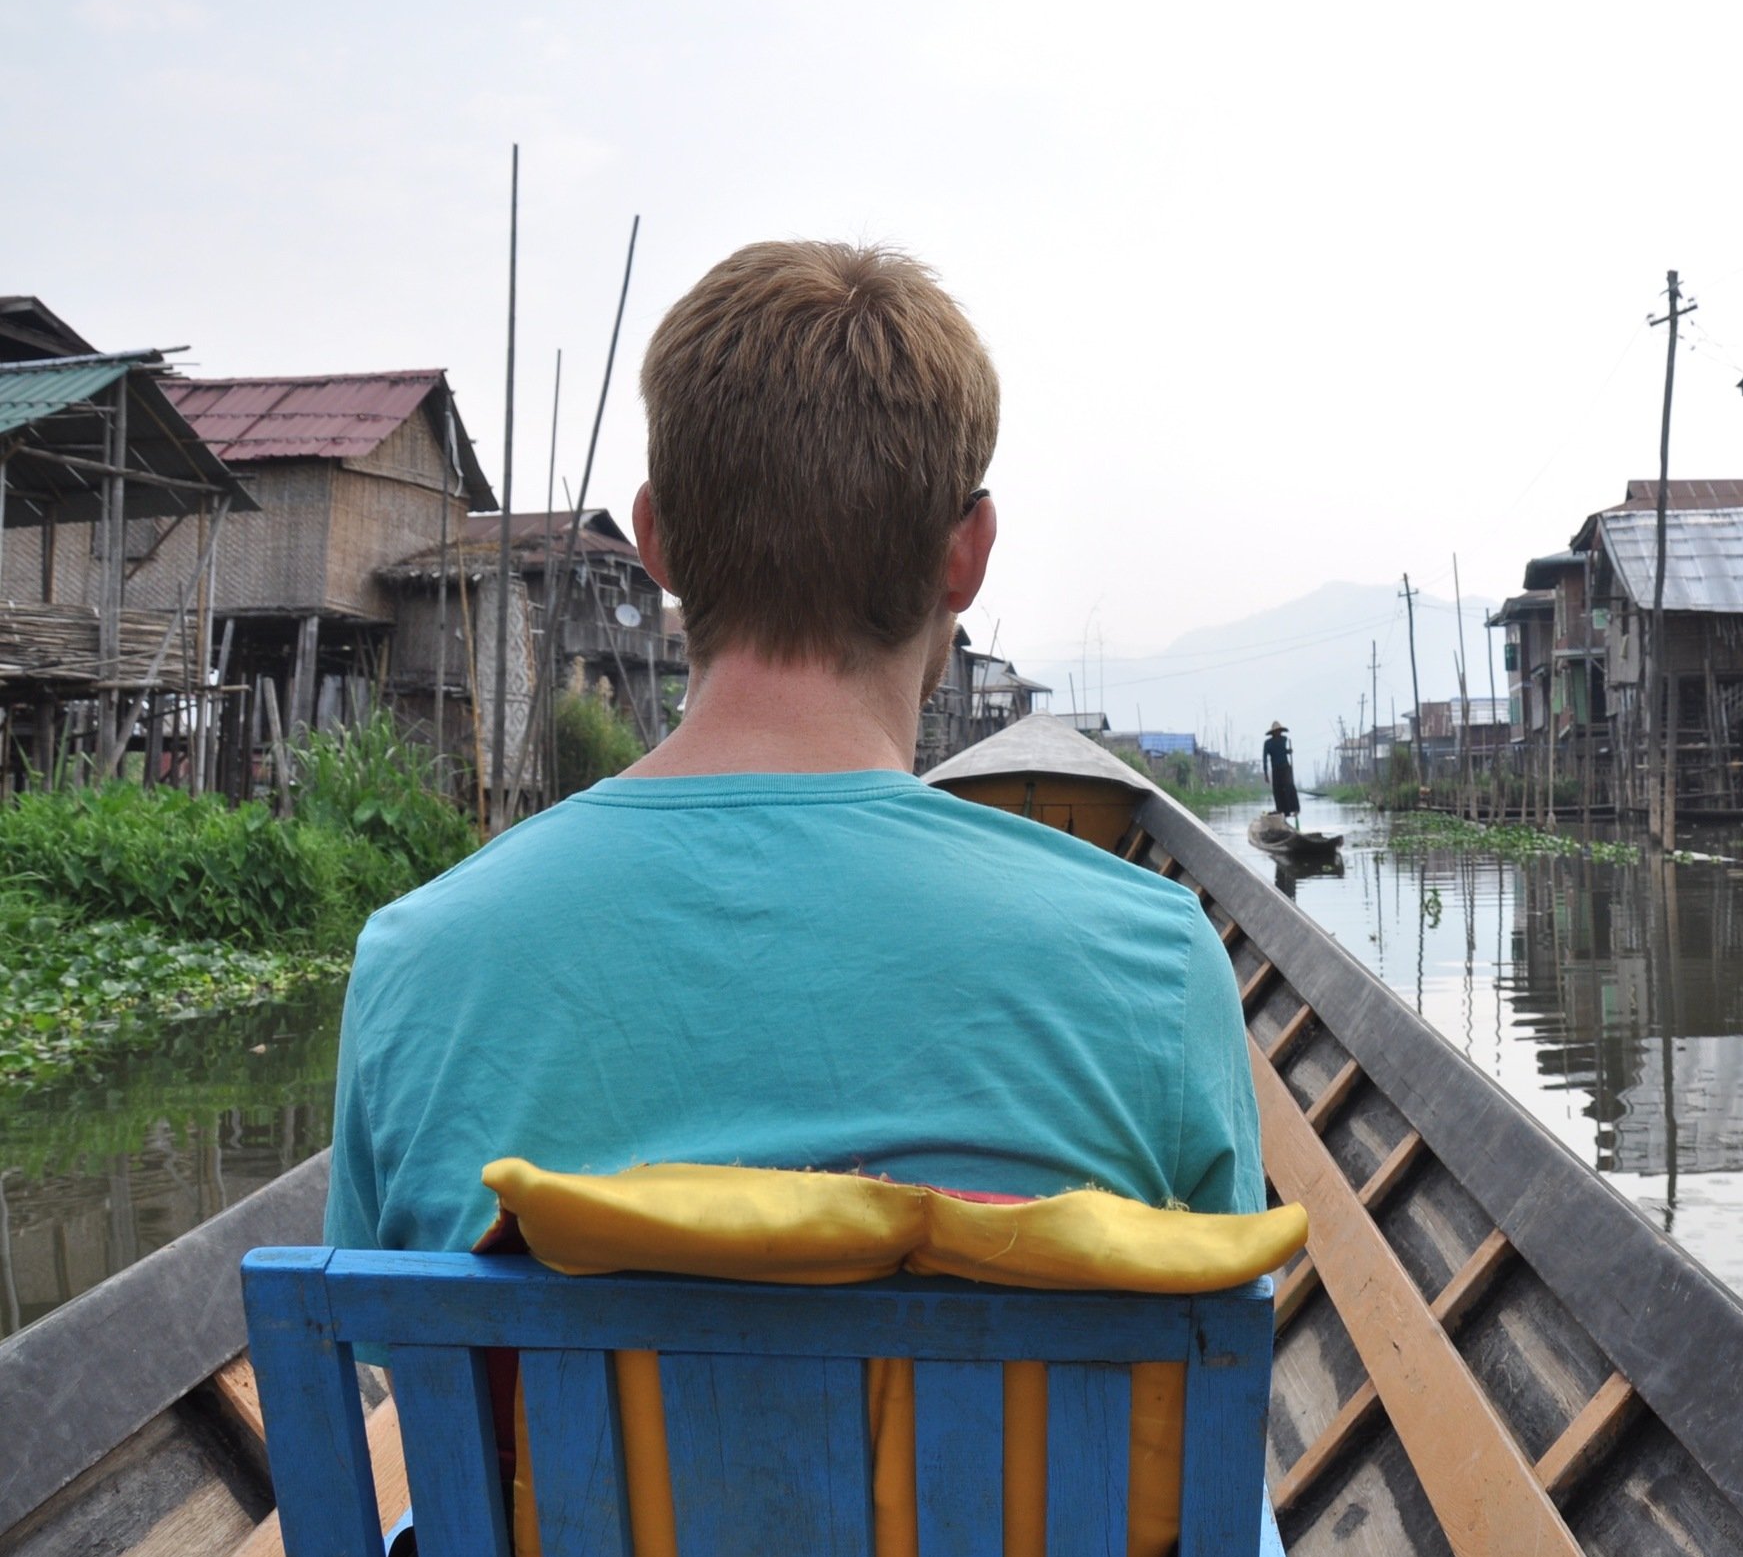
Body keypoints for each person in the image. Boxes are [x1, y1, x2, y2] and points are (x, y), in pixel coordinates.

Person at [325, 240, 1262, 1269]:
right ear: (969, 553)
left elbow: (399, 1373)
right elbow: (1220, 1368)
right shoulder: (1160, 962)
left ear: (656, 542)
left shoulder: (415, 965)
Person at [1262, 721, 1298, 823]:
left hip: (1285, 768)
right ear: (1273, 733)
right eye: (1276, 732)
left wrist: (1288, 751)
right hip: (1276, 770)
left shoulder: (1284, 739)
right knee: (1277, 791)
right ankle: (1283, 812)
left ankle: (1295, 809)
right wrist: (1265, 773)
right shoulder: (1268, 744)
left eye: (1279, 731)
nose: (1278, 733)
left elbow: (1282, 751)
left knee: (1289, 787)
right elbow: (1264, 758)